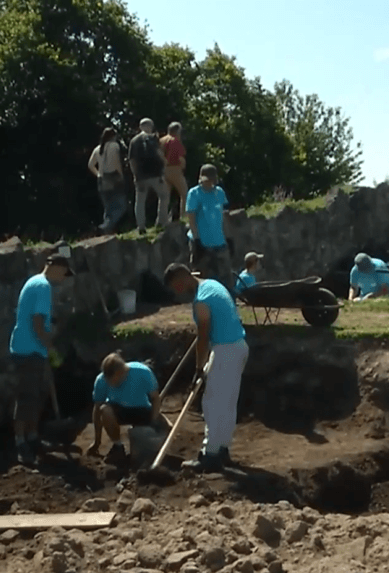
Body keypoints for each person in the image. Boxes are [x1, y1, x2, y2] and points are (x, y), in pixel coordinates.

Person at [163, 263, 249, 472]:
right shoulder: (211, 284)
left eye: (176, 287)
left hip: (225, 350)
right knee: (227, 403)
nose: (177, 292)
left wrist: (199, 368)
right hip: (239, 346)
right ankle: (222, 450)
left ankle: (209, 455)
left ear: (182, 279)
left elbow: (203, 336)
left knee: (212, 403)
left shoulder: (201, 300)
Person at [9, 249, 73, 465]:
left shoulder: (35, 282)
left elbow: (40, 319)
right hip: (28, 350)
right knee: (26, 397)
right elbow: (37, 323)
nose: (64, 279)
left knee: (37, 395)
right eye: (65, 274)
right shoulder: (43, 287)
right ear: (59, 269)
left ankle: (33, 437)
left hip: (32, 349)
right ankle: (21, 443)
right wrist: (51, 347)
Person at [86, 353, 161, 461]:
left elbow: (155, 398)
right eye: (109, 380)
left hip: (142, 409)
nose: (111, 384)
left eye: (114, 380)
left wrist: (154, 421)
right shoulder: (101, 380)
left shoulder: (143, 372)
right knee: (105, 410)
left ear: (122, 372)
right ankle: (118, 447)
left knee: (145, 443)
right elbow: (97, 410)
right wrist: (97, 442)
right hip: (119, 410)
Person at [186, 164, 234, 292]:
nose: (209, 182)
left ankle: (228, 300)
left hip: (219, 241)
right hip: (202, 241)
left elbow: (224, 217)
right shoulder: (194, 193)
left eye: (211, 179)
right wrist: (196, 240)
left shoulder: (219, 193)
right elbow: (191, 217)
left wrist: (229, 237)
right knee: (202, 276)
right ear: (200, 178)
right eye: (206, 179)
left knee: (226, 276)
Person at [128, 118, 169, 234]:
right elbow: (158, 153)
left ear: (140, 127)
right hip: (155, 174)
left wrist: (135, 175)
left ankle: (141, 227)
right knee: (164, 195)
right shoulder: (152, 138)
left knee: (140, 201)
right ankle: (161, 222)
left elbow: (132, 160)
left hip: (140, 175)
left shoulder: (133, 141)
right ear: (150, 126)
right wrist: (165, 164)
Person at [88, 127, 127, 234]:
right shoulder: (114, 146)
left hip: (101, 179)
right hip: (113, 177)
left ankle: (107, 230)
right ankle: (105, 226)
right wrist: (121, 175)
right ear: (113, 136)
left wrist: (98, 175)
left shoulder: (97, 148)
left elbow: (90, 165)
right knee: (122, 205)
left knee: (108, 207)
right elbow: (116, 162)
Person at [160, 122, 188, 220]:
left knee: (164, 197)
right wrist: (182, 167)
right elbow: (180, 158)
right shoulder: (175, 141)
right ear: (177, 131)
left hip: (163, 170)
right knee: (185, 194)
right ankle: (184, 216)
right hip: (174, 169)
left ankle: (161, 219)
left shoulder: (161, 140)